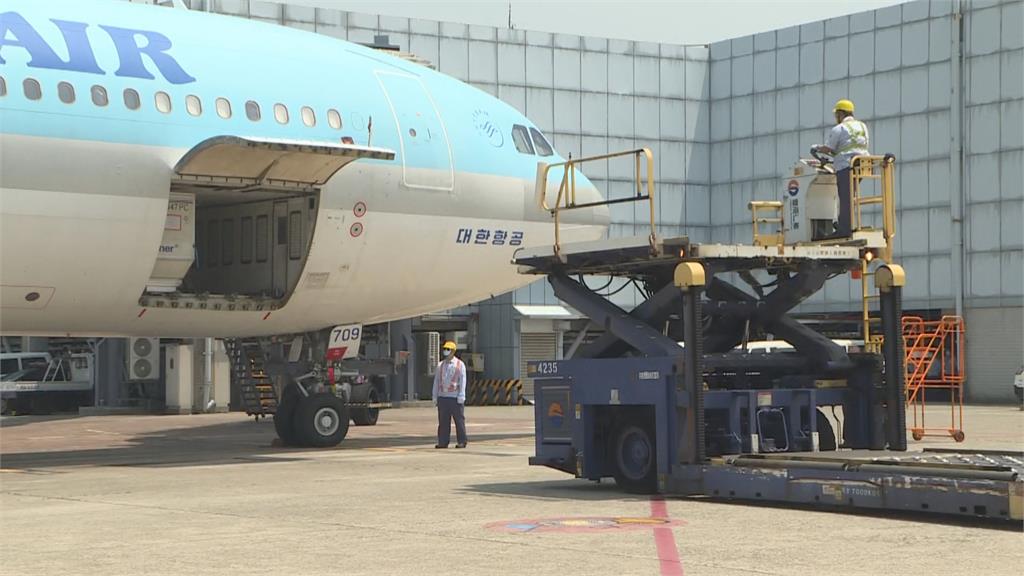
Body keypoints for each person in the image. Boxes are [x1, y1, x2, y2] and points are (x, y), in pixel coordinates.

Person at [812, 99, 869, 238]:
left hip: (846, 166)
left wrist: (816, 148)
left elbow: (829, 148)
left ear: (840, 114)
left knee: (845, 197)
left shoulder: (839, 128)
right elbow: (851, 146)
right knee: (850, 196)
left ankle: (844, 229)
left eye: (836, 115)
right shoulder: (862, 126)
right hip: (862, 165)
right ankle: (845, 223)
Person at [432, 340, 467, 448]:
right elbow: (436, 381)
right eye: (445, 349)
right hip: (443, 397)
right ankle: (443, 442)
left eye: (448, 349)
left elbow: (463, 381)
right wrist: (435, 396)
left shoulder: (460, 365)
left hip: (455, 397)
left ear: (453, 351)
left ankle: (462, 441)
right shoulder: (440, 365)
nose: (446, 351)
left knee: (459, 421)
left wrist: (461, 395)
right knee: (443, 422)